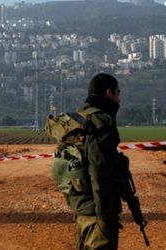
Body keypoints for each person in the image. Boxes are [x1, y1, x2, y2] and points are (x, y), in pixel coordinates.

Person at [73, 73, 122, 249]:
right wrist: (106, 215)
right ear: (109, 93)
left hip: (81, 207)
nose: (119, 99)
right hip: (97, 210)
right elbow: (99, 170)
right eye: (118, 93)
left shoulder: (79, 119)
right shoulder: (100, 123)